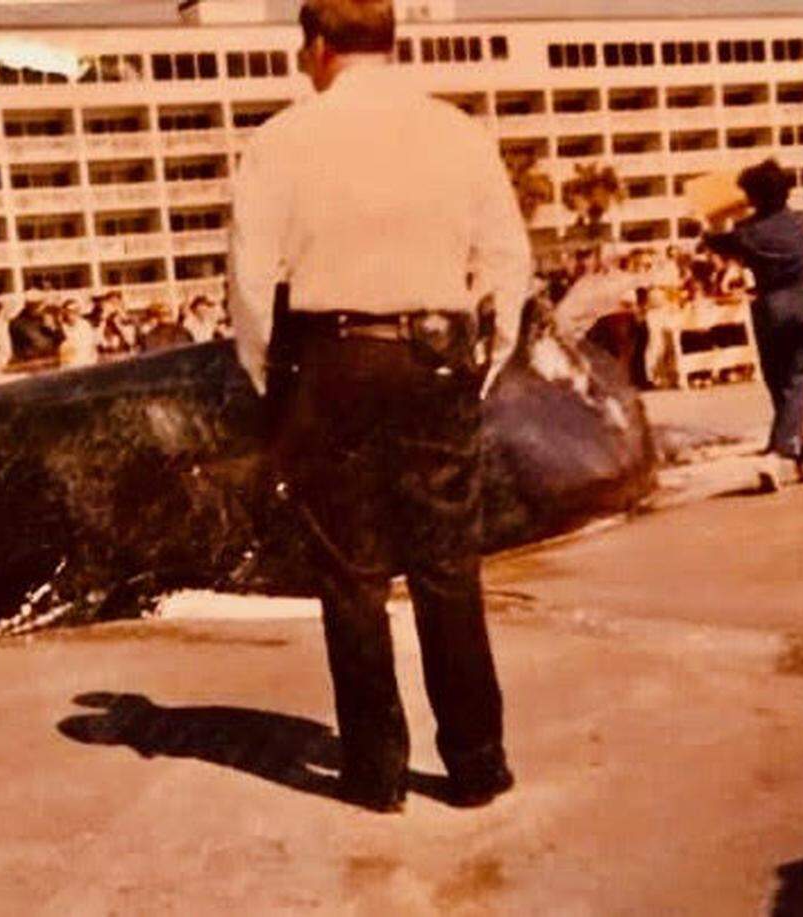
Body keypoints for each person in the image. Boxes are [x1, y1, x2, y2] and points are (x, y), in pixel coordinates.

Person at [229, 0, 530, 813]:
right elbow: (508, 259)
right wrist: (484, 363)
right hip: (436, 351)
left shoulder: (283, 138)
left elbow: (251, 281)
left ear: (320, 46)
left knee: (351, 573)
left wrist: (269, 378)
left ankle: (375, 771)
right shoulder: (456, 131)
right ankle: (475, 763)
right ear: (391, 43)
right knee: (446, 566)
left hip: (333, 354)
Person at [705, 158, 803, 489]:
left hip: (771, 307)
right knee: (798, 383)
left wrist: (715, 219)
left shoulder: (747, 232)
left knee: (781, 385)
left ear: (752, 196)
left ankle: (776, 455)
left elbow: (714, 242)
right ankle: (799, 456)